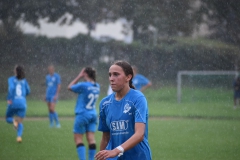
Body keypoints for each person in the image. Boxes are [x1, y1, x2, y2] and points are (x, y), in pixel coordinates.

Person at [95, 60, 152, 160]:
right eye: (110, 75)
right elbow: (105, 137)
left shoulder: (138, 99)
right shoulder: (104, 104)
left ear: (128, 77)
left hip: (138, 157)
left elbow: (140, 134)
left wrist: (116, 150)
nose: (111, 79)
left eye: (116, 74)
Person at [68, 67, 100, 160]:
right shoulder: (97, 86)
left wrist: (79, 76)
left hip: (82, 114)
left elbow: (69, 87)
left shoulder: (83, 85)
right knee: (91, 138)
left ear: (85, 74)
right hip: (93, 114)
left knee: (78, 139)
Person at [5, 65, 30, 143]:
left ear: (15, 71)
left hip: (13, 102)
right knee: (20, 122)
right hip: (22, 103)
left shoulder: (11, 79)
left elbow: (11, 88)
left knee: (8, 118)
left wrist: (9, 98)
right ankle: (19, 137)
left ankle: (14, 121)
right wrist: (22, 97)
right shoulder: (24, 80)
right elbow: (28, 91)